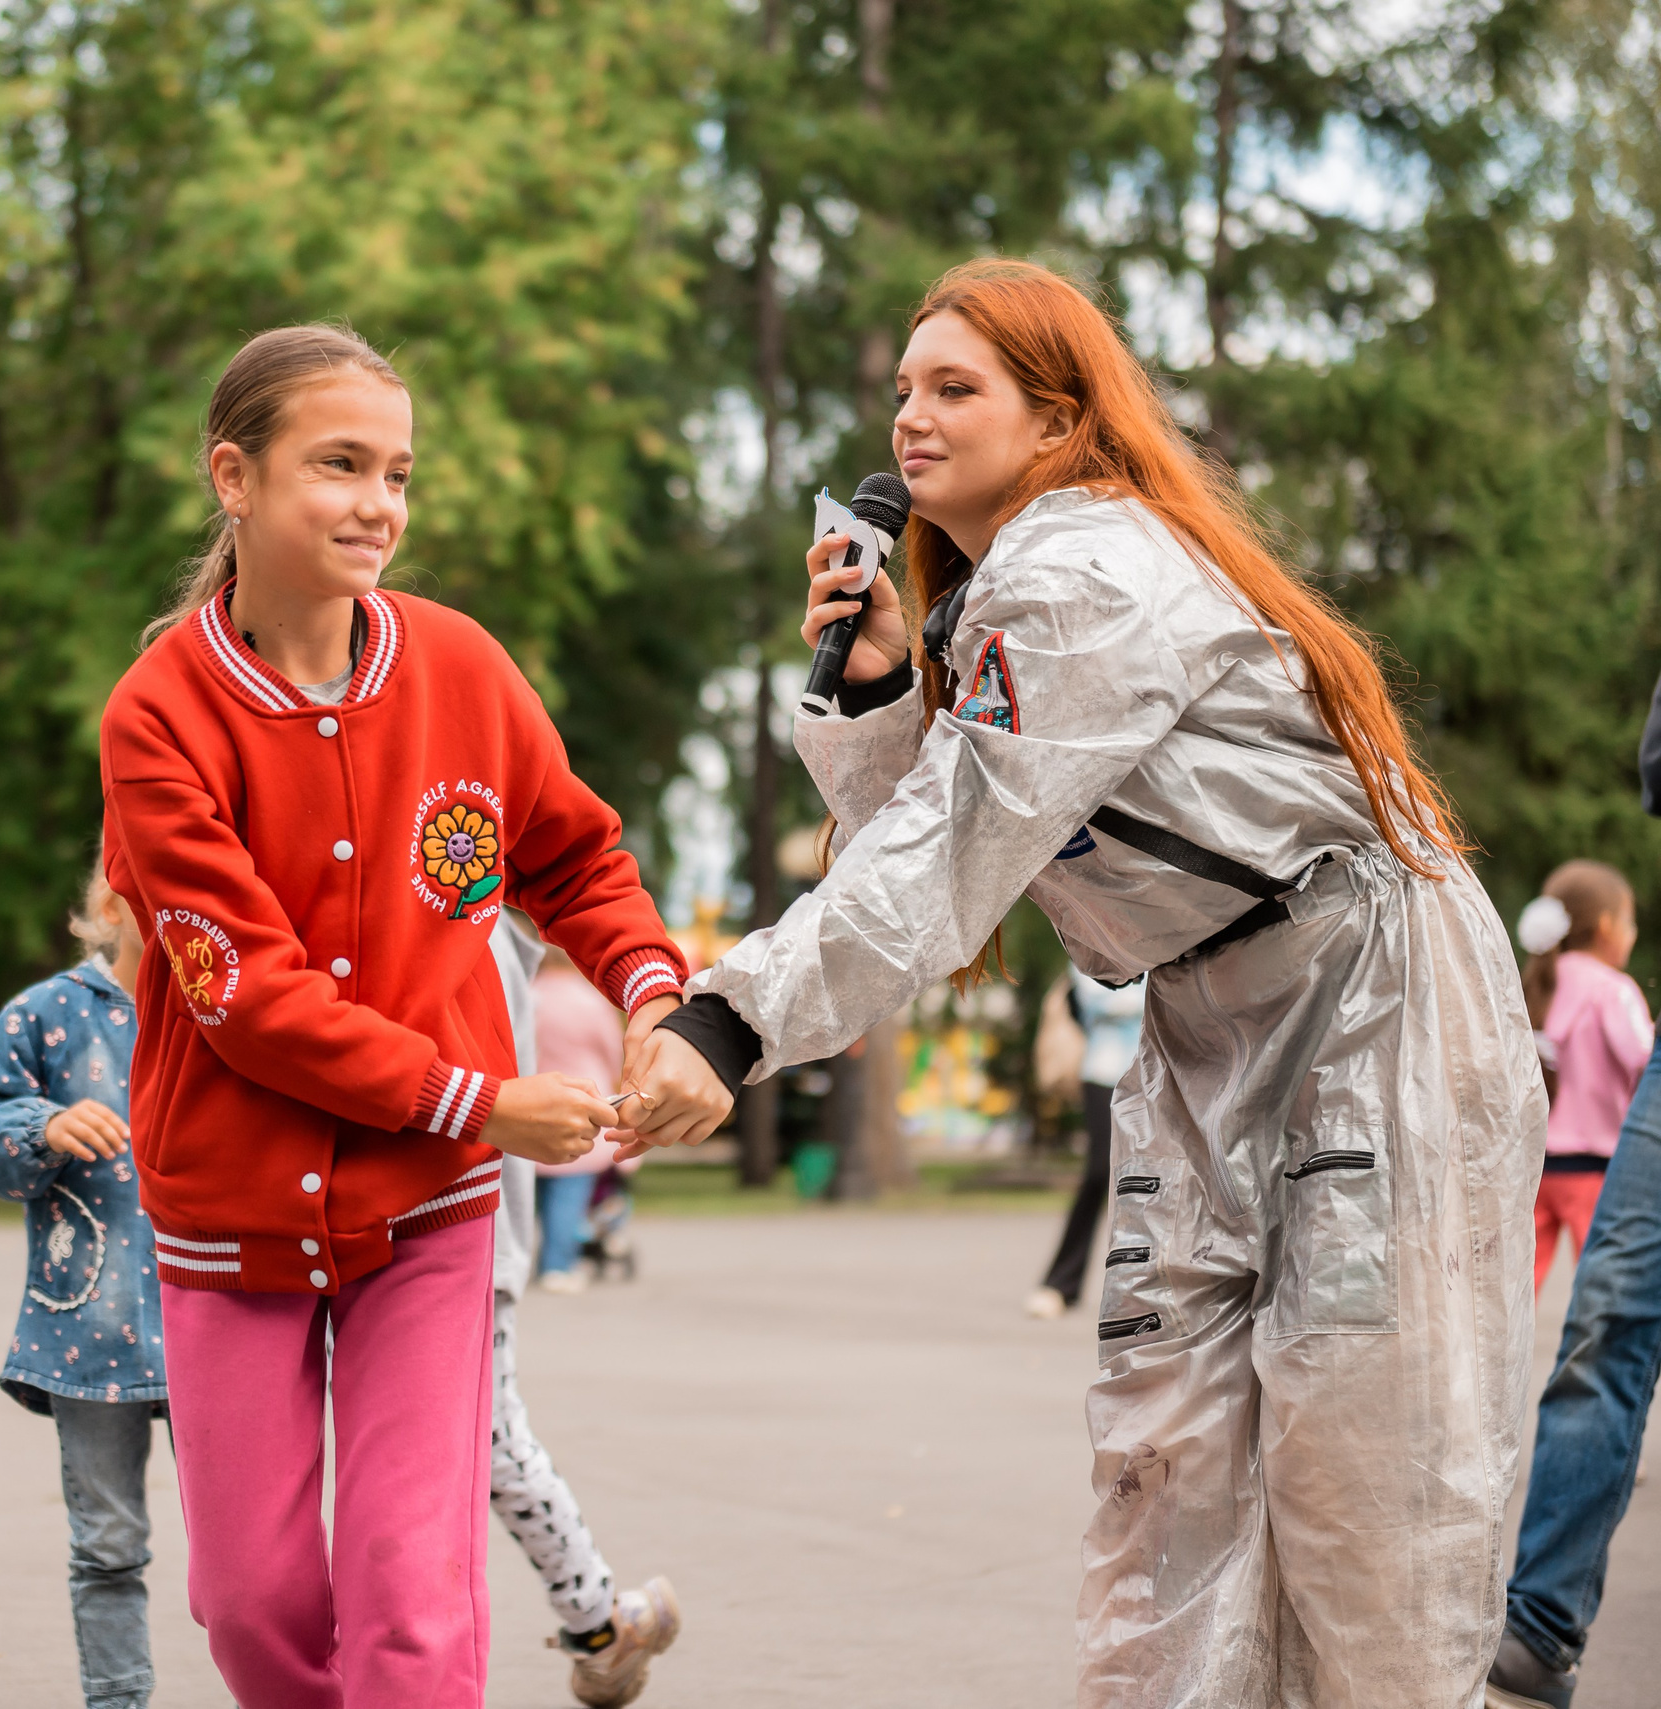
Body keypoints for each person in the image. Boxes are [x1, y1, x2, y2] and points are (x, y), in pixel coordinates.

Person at [637, 259, 1539, 1704]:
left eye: (955, 387)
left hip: (1374, 1012)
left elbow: (943, 855)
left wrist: (729, 1015)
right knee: (1162, 1459)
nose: (908, 420)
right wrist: (877, 688)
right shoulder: (1002, 598)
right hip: (1205, 1025)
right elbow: (939, 847)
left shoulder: (1087, 568)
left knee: (1364, 1474)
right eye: (902, 389)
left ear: (1060, 418)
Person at [97, 323, 729, 1708]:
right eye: (339, 465)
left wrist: (656, 996)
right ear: (234, 479)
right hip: (230, 1210)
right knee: (255, 1610)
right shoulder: (157, 718)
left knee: (409, 1590)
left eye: (398, 472)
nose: (379, 502)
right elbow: (247, 995)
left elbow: (576, 856)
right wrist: (478, 1097)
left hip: (429, 1209)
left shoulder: (459, 667)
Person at [0, 863, 166, 1709]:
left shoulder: (235, 1007)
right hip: (92, 1328)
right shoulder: (49, 1014)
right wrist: (43, 1126)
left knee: (249, 1554)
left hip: (224, 1316)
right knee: (108, 1546)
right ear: (109, 909)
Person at [1485, 706, 1661, 1709]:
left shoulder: (1548, 983)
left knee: (1580, 1302)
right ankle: (1542, 1621)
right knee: (1611, 1312)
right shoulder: (1612, 988)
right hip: (1591, 1157)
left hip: (1552, 1158)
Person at [487, 915, 680, 1707]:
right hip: (478, 1216)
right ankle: (603, 1619)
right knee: (494, 1440)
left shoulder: (483, 933)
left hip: (462, 1229)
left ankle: (600, 1619)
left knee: (491, 1437)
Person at [1513, 862, 1650, 1294]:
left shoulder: (1533, 984)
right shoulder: (1614, 989)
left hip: (1534, 1170)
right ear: (1608, 926)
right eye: (1630, 921)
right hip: (1594, 1171)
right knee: (1604, 1291)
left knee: (1519, 1287)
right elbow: (1645, 1061)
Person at [1023, 969, 1145, 1320]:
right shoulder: (1090, 936)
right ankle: (1061, 1282)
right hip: (1104, 1073)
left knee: (1153, 1178)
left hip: (1153, 1072)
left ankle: (1147, 1286)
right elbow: (1102, 1000)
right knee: (1099, 1173)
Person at [529, 948, 638, 1295]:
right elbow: (613, 1054)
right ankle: (557, 1266)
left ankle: (522, 1260)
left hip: (531, 1103)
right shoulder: (590, 1003)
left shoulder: (527, 996)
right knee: (569, 1193)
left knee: (530, 1196)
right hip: (585, 1103)